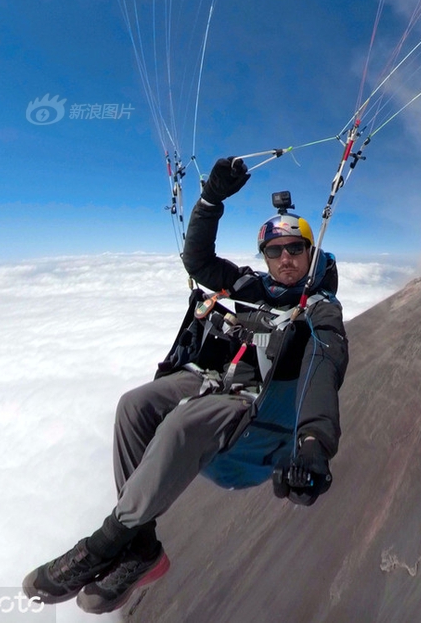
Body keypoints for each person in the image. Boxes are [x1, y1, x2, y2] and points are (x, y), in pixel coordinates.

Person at [22, 157, 348, 615]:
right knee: (134, 406)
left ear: (311, 253)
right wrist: (210, 200)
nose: (286, 259)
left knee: (180, 423)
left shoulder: (318, 308)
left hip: (257, 417)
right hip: (216, 384)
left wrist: (314, 440)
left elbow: (325, 363)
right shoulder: (249, 286)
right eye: (275, 251)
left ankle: (104, 543)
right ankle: (142, 549)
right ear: (265, 257)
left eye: (296, 249)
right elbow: (197, 260)